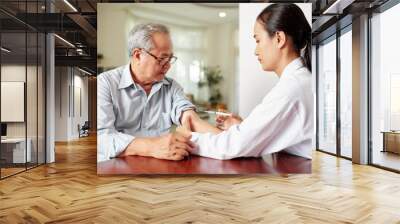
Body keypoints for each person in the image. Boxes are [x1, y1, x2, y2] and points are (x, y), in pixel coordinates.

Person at [177, 4, 313, 160]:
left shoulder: (291, 89)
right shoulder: (299, 81)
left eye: (258, 40)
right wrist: (243, 127)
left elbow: (233, 146)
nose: (256, 51)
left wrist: (187, 138)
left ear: (279, 39)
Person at [97, 23, 218, 162]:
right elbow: (101, 139)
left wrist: (233, 139)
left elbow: (190, 118)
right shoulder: (105, 84)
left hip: (159, 170)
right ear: (138, 55)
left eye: (170, 58)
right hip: (115, 171)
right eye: (161, 58)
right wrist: (150, 147)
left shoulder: (171, 87)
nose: (168, 65)